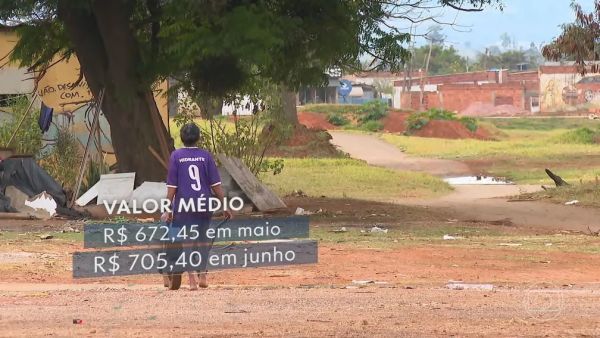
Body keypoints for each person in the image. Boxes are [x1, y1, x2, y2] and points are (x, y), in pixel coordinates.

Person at [164, 123, 232, 290]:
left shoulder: (176, 156)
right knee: (202, 240)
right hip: (203, 203)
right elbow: (216, 185)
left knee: (186, 241)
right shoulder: (205, 156)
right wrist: (225, 205)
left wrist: (167, 208)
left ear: (181, 138)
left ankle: (192, 279)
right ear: (198, 137)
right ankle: (203, 276)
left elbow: (172, 187)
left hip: (184, 204)